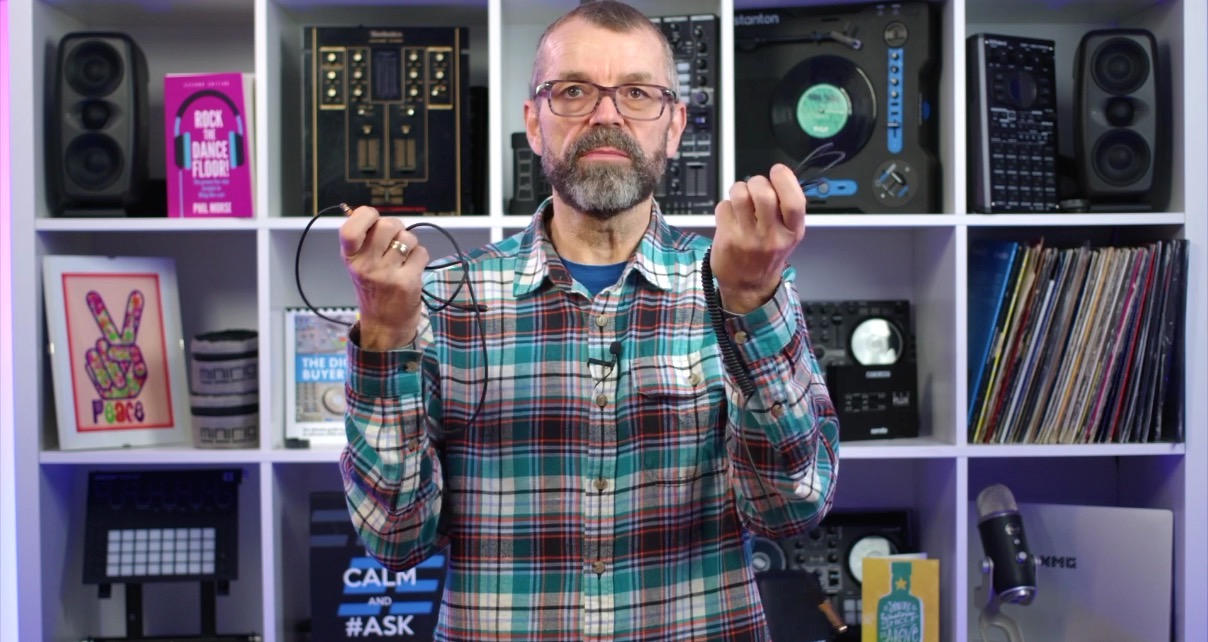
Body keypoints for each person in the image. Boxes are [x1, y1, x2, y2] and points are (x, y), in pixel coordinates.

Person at [337, 2, 839, 640]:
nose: (606, 114)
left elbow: (791, 510)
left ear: (676, 125)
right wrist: (383, 335)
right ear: (534, 124)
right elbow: (393, 539)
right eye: (573, 91)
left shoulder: (745, 290)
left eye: (636, 92)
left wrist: (749, 301)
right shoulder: (438, 302)